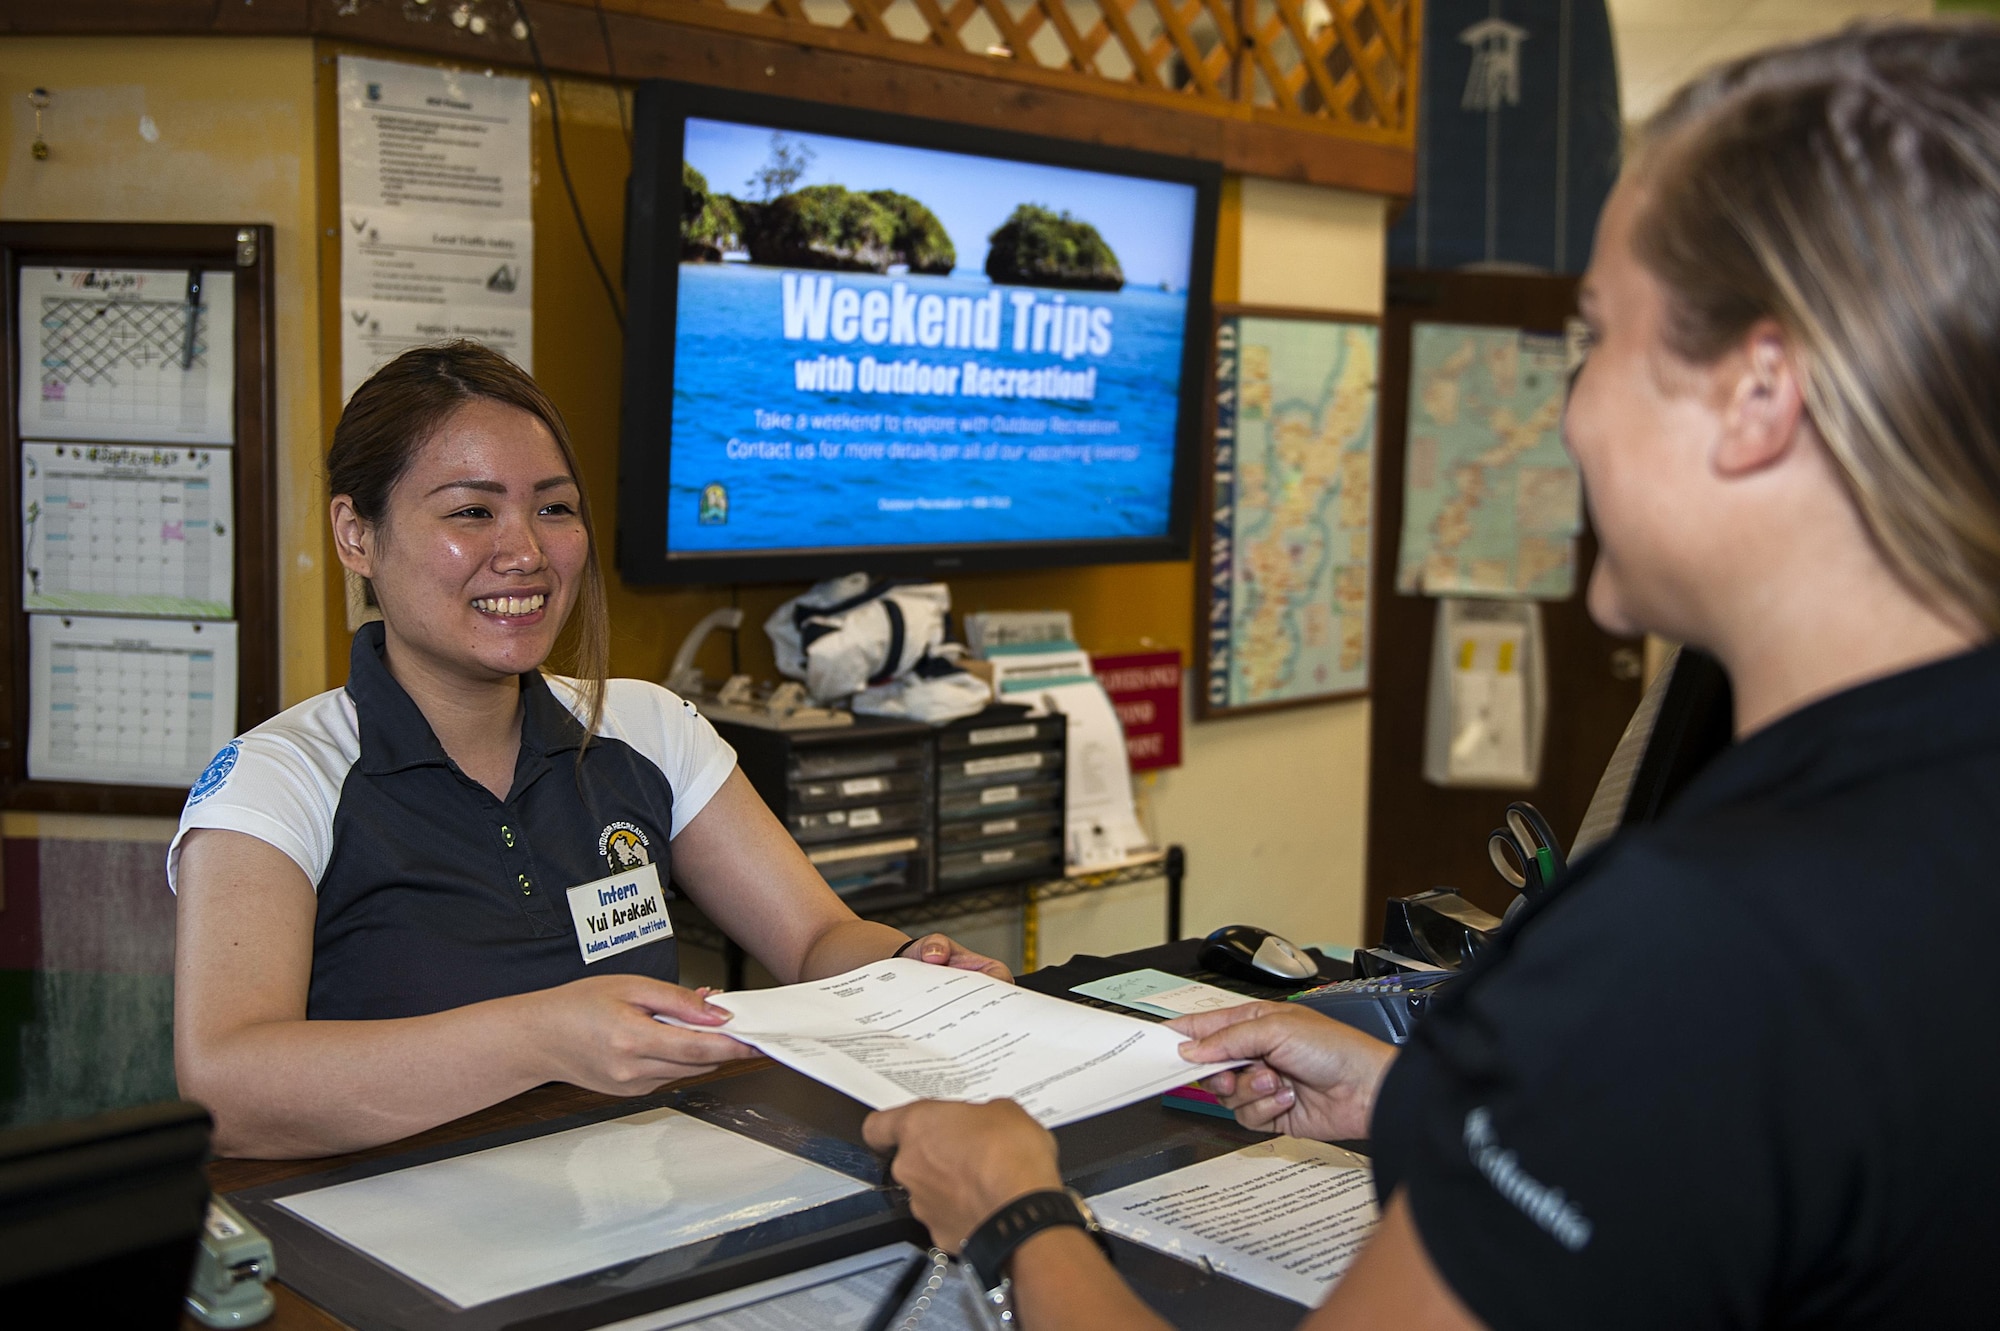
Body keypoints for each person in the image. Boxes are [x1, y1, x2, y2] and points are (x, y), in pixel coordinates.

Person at [865, 22, 2000, 1329]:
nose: (1566, 412)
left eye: (1599, 339)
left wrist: (1015, 1211)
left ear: (1757, 393)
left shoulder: (1698, 940)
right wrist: (1428, 1105)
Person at [171, 342, 1007, 1159]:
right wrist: (542, 1036)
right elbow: (225, 1087)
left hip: (643, 1208)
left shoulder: (646, 728)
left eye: (554, 507)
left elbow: (820, 938)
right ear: (356, 534)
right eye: (472, 510)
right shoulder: (276, 781)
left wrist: (911, 965)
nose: (526, 552)